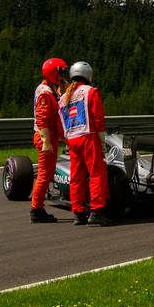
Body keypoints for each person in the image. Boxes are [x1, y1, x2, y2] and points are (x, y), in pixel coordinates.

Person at [58, 60, 112, 226]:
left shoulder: (64, 97)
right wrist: (103, 140)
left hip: (72, 140)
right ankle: (96, 211)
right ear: (88, 75)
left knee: (77, 176)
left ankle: (78, 213)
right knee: (97, 173)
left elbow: (61, 124)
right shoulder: (90, 92)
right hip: (88, 136)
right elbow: (98, 118)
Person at [30, 57, 68, 223]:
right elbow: (42, 119)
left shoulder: (47, 89)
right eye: (60, 72)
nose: (63, 75)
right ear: (53, 72)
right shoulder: (45, 93)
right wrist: (46, 141)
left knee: (47, 173)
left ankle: (38, 208)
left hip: (49, 136)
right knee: (44, 175)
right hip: (45, 137)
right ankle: (36, 209)